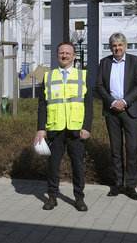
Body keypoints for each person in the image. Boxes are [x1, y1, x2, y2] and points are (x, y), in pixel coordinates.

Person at [34, 43, 93, 211]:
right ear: (57, 55)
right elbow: (42, 105)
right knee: (53, 165)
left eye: (68, 53)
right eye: (62, 53)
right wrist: (40, 128)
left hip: (76, 129)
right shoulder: (49, 77)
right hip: (55, 128)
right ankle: (52, 197)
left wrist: (87, 127)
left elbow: (89, 105)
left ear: (74, 56)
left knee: (78, 165)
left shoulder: (83, 75)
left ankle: (79, 198)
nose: (65, 56)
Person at [95, 32, 137, 200]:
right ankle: (117, 184)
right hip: (111, 112)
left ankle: (131, 186)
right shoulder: (104, 63)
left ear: (125, 46)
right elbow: (99, 85)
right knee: (115, 150)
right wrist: (112, 102)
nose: (117, 48)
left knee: (131, 149)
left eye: (120, 45)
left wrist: (124, 101)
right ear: (111, 47)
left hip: (130, 111)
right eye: (114, 46)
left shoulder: (135, 61)